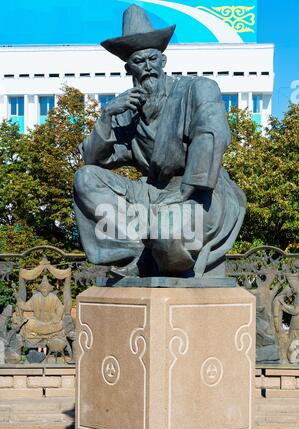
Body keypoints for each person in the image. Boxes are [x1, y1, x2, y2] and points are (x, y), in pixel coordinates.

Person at [74, 4, 246, 278]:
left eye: (152, 59)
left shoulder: (196, 89)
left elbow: (211, 135)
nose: (147, 67)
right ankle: (135, 251)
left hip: (199, 195)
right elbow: (93, 160)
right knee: (85, 178)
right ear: (128, 67)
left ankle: (159, 243)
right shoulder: (127, 109)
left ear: (163, 60)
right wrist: (106, 116)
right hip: (151, 196)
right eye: (138, 62)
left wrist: (186, 190)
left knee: (168, 240)